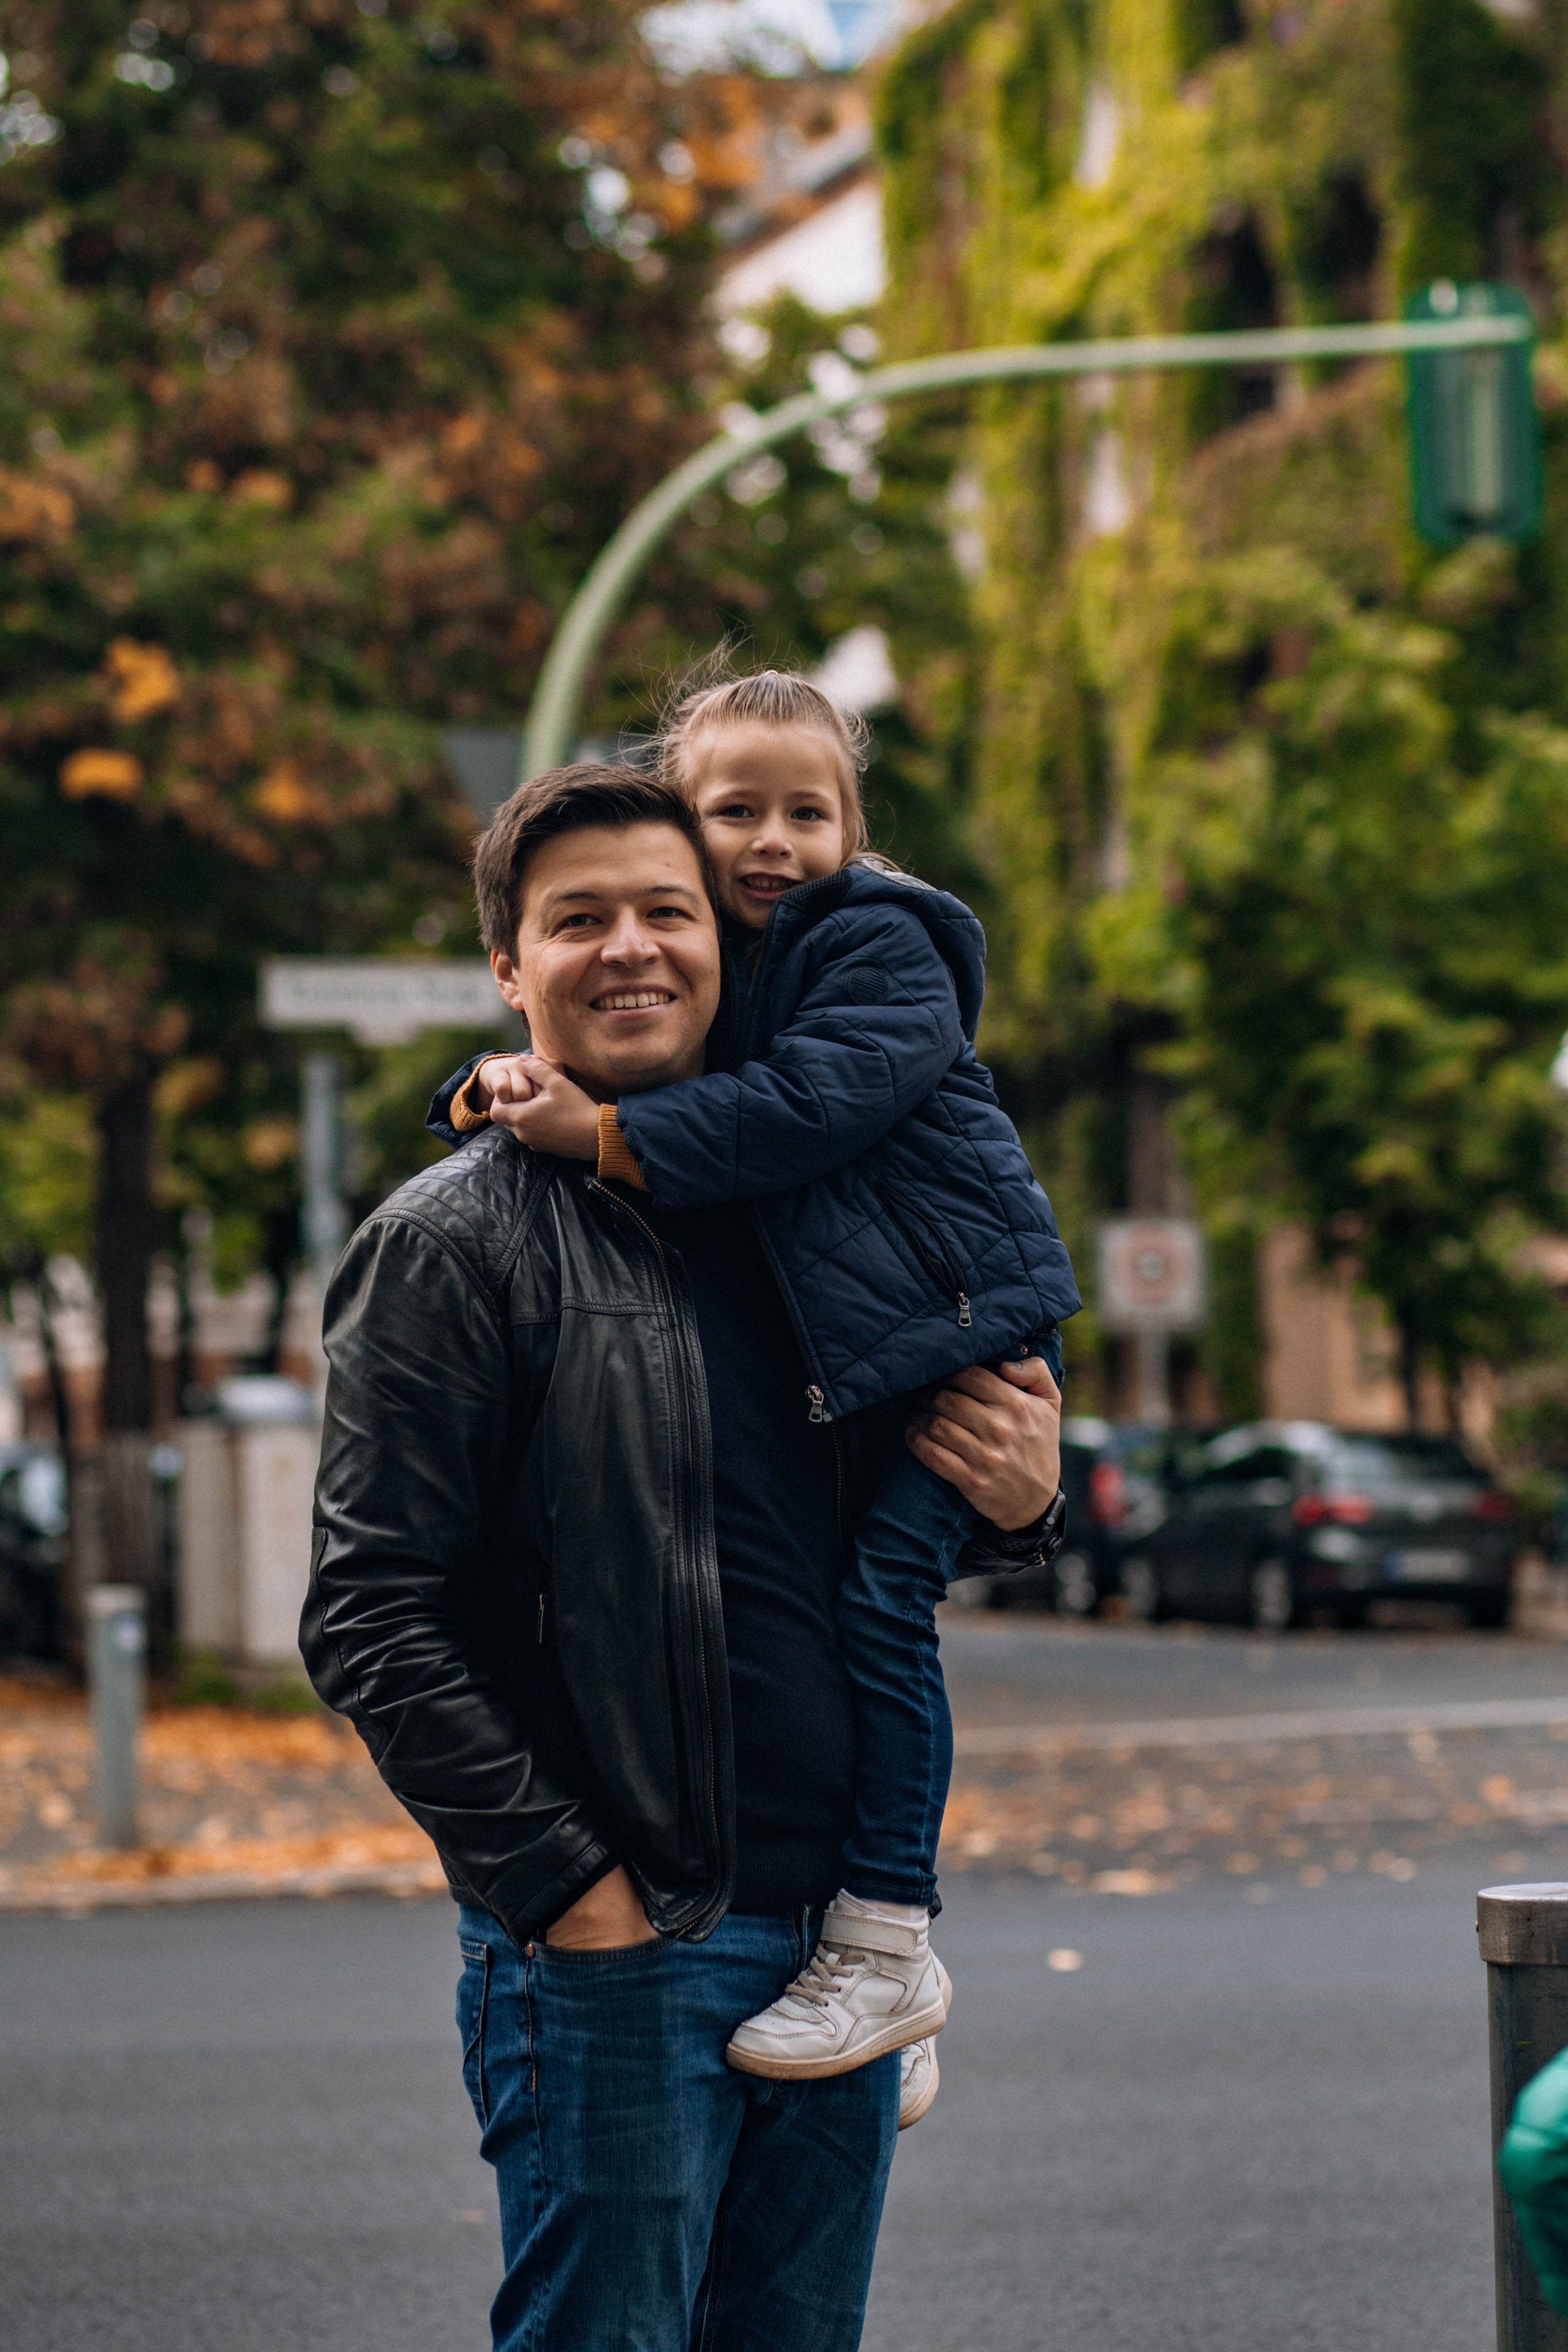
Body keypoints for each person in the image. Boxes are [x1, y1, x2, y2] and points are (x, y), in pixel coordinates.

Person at [303, 762, 1066, 2352]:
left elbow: (869, 1529)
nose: (632, 947)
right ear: (510, 969)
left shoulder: (813, 1201)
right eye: (577, 920)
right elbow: (370, 1616)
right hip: (625, 1946)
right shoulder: (455, 1242)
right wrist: (571, 1897)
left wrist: (1022, 1497)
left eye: (668, 910)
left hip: (839, 1957)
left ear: (727, 938)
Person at [429, 668, 1079, 2102]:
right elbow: (383, 1603)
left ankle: (887, 1944)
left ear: (858, 830)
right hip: (632, 1890)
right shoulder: (694, 1024)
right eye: (736, 813)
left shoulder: (870, 948)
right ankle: (872, 1961)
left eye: (809, 812)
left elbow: (802, 1111)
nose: (772, 843)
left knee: (878, 1610)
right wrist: (504, 1094)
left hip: (954, 1333)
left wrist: (1030, 1504)